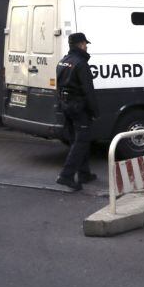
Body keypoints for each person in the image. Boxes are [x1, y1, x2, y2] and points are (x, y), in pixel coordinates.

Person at [55, 33, 99, 191]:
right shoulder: (81, 64)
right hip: (79, 108)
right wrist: (94, 111)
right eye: (85, 43)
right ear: (80, 44)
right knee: (81, 141)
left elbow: (59, 87)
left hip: (66, 106)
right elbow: (88, 91)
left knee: (78, 140)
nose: (86, 46)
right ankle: (66, 176)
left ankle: (84, 174)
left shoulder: (63, 62)